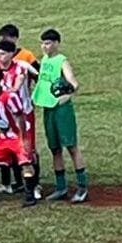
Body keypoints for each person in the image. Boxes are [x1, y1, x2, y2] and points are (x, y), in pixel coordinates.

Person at [31, 29, 88, 203]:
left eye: (48, 43)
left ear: (56, 43)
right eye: (43, 43)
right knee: (54, 148)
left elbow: (73, 83)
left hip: (62, 110)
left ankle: (82, 187)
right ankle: (61, 187)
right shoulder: (45, 60)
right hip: (48, 108)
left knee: (71, 146)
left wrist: (65, 94)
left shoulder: (62, 61)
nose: (44, 47)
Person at [0, 67, 38, 207]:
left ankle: (30, 194)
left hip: (17, 135)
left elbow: (20, 116)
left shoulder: (9, 97)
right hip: (2, 136)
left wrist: (23, 139)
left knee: (26, 163)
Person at [0, 40, 41, 198]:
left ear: (12, 54)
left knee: (28, 148)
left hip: (24, 114)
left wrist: (34, 92)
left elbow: (41, 78)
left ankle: (35, 185)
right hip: (3, 116)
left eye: (3, 54)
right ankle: (10, 183)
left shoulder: (22, 66)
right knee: (6, 147)